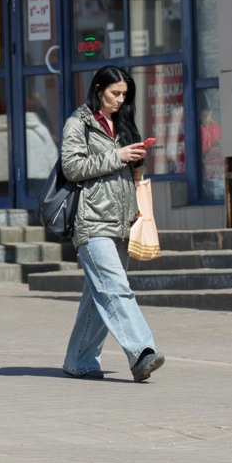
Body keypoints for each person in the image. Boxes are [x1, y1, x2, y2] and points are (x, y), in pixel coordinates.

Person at [60, 65, 165, 382]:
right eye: (114, 93)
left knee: (99, 294)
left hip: (121, 223)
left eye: (124, 95)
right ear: (98, 89)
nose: (120, 100)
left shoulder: (122, 125)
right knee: (116, 289)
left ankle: (79, 360)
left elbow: (128, 175)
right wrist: (117, 156)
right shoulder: (79, 123)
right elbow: (71, 167)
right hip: (91, 221)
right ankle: (141, 351)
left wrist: (136, 159)